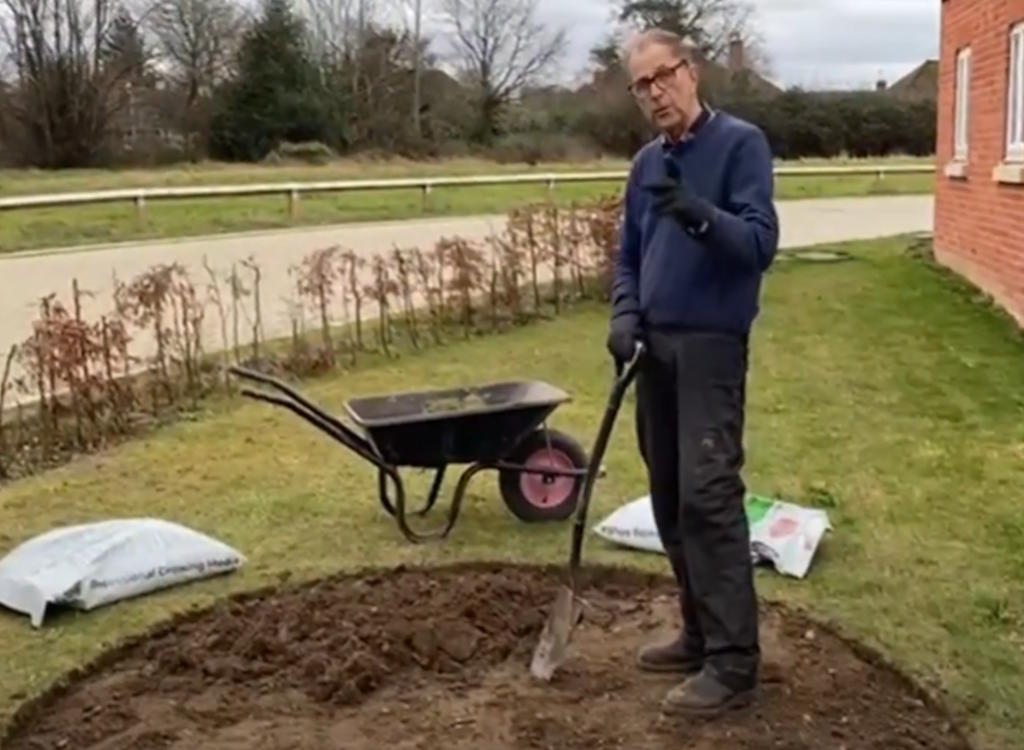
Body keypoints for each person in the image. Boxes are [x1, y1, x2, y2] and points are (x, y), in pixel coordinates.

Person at [607, 28, 780, 717]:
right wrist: (624, 316)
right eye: (641, 85)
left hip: (711, 350)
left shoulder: (741, 144)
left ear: (691, 72)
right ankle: (698, 633)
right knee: (671, 498)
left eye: (663, 76)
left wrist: (696, 213)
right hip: (655, 350)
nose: (655, 93)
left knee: (710, 498)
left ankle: (734, 664)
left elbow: (760, 245)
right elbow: (627, 255)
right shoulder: (645, 163)